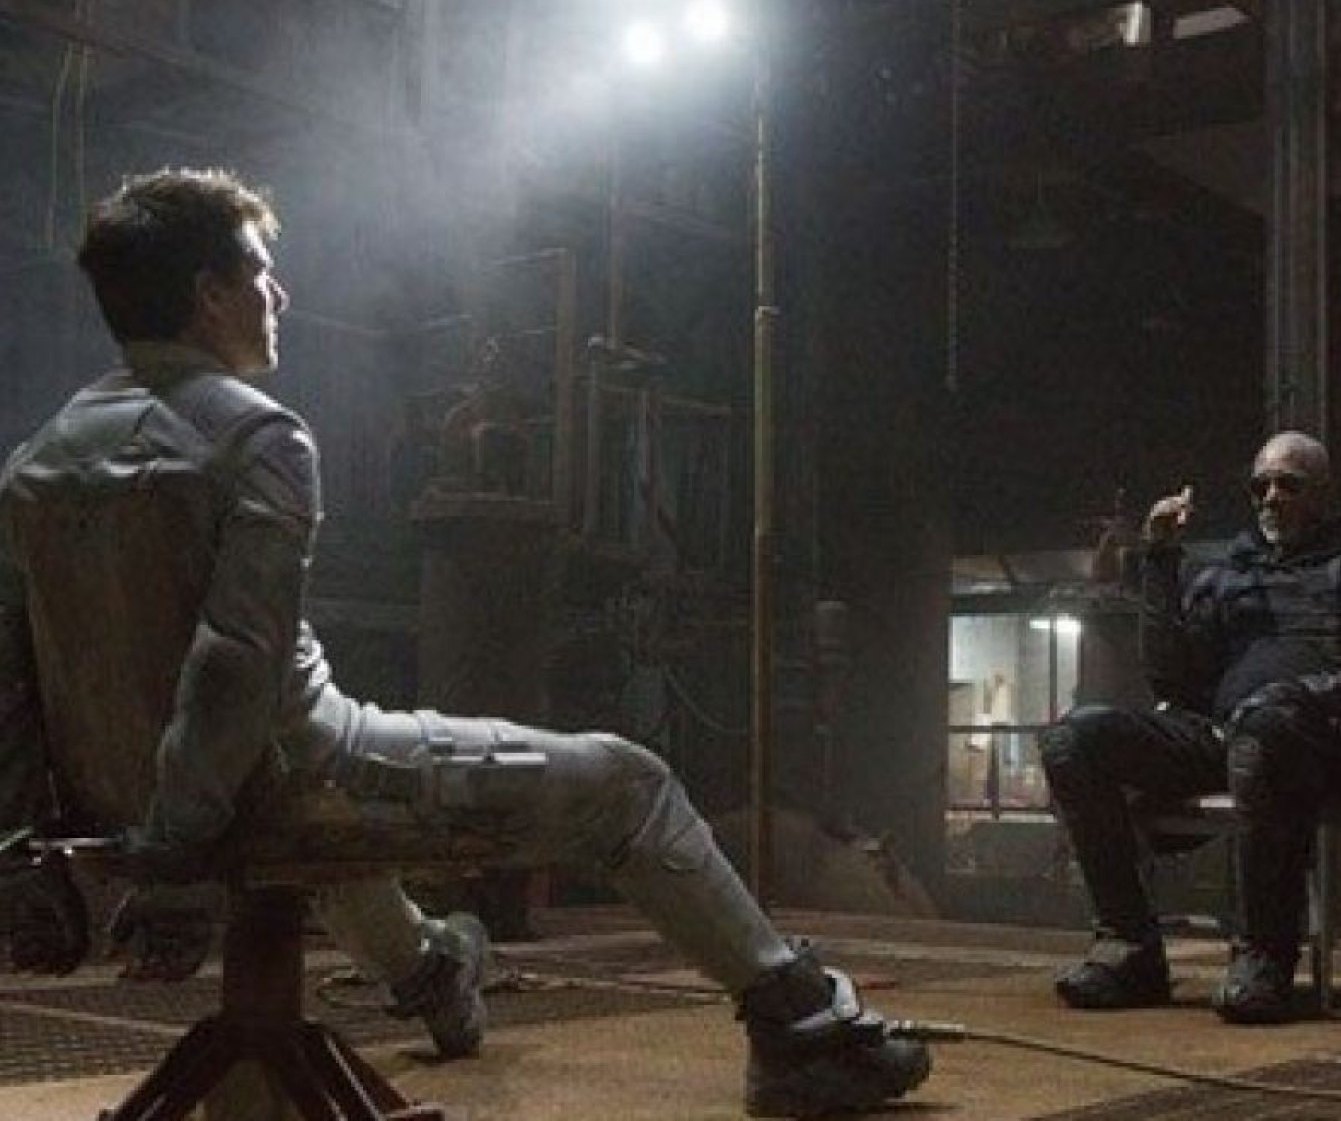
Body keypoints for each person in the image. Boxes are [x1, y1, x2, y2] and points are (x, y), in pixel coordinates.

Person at [0, 167, 930, 1117]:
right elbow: (234, 665)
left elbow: (11, 687)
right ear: (209, 293)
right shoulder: (260, 438)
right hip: (268, 782)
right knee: (627, 783)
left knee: (320, 803)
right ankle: (798, 1026)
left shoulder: (34, 460)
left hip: (122, 802)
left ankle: (433, 972)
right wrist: (176, 851)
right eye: (261, 272)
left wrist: (28, 845)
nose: (280, 293)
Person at [1040, 431, 1341, 1024]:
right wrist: (1160, 559)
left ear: (1323, 493)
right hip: (1230, 733)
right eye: (1261, 486)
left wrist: (1306, 695)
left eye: (1289, 484)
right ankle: (1129, 949)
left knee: (1264, 728)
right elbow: (1173, 680)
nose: (1272, 497)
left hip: (1327, 746)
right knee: (1073, 740)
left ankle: (1264, 957)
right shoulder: (1232, 573)